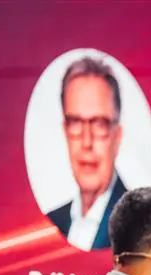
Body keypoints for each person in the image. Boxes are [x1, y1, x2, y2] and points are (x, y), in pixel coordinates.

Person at [47, 56, 126, 251]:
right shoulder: (51, 223)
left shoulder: (138, 225)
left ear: (117, 136)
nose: (87, 142)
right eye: (76, 122)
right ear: (65, 131)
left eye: (99, 124)